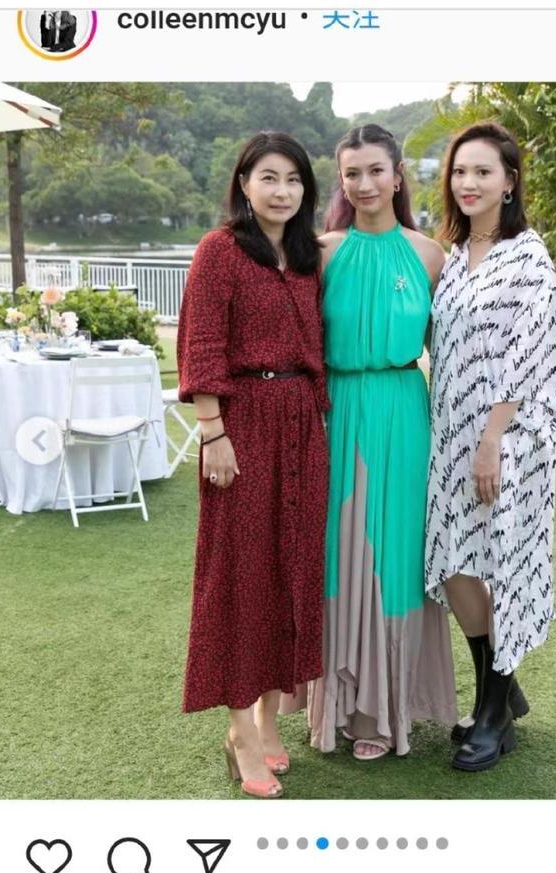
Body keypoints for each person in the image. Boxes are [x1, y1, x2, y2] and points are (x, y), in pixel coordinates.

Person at [177, 132, 329, 798]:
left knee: (290, 571)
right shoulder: (219, 251)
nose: (282, 191)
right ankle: (239, 728)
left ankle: (269, 719)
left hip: (302, 425)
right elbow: (202, 344)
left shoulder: (305, 256)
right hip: (241, 423)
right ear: (244, 183)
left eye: (293, 180)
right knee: (239, 575)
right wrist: (213, 433)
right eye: (269, 177)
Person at [309, 124, 457, 760]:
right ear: (341, 182)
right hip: (338, 412)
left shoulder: (430, 256)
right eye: (352, 173)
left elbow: (453, 355)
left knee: (395, 557)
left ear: (398, 176)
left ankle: (382, 710)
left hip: (403, 414)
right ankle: (338, 701)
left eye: (376, 170)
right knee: (340, 552)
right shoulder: (321, 253)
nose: (365, 183)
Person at [425, 121, 556, 772]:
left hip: (510, 437)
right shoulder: (454, 258)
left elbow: (527, 354)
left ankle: (491, 712)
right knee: (451, 561)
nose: (469, 182)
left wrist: (491, 442)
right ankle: (501, 692)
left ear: (509, 182)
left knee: (504, 564)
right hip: (450, 432)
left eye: (483, 171)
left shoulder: (527, 256)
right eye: (459, 171)